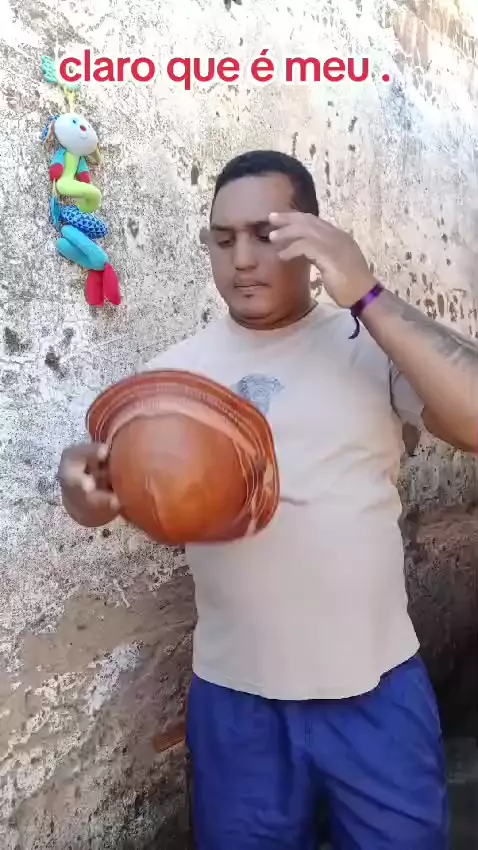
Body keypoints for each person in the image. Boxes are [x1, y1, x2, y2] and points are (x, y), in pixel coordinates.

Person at [58, 150, 478, 849]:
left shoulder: (369, 346)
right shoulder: (174, 377)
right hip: (238, 704)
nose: (243, 259)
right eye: (223, 240)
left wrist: (367, 293)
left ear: (312, 238)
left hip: (375, 692)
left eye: (267, 234)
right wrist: (84, 493)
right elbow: (105, 494)